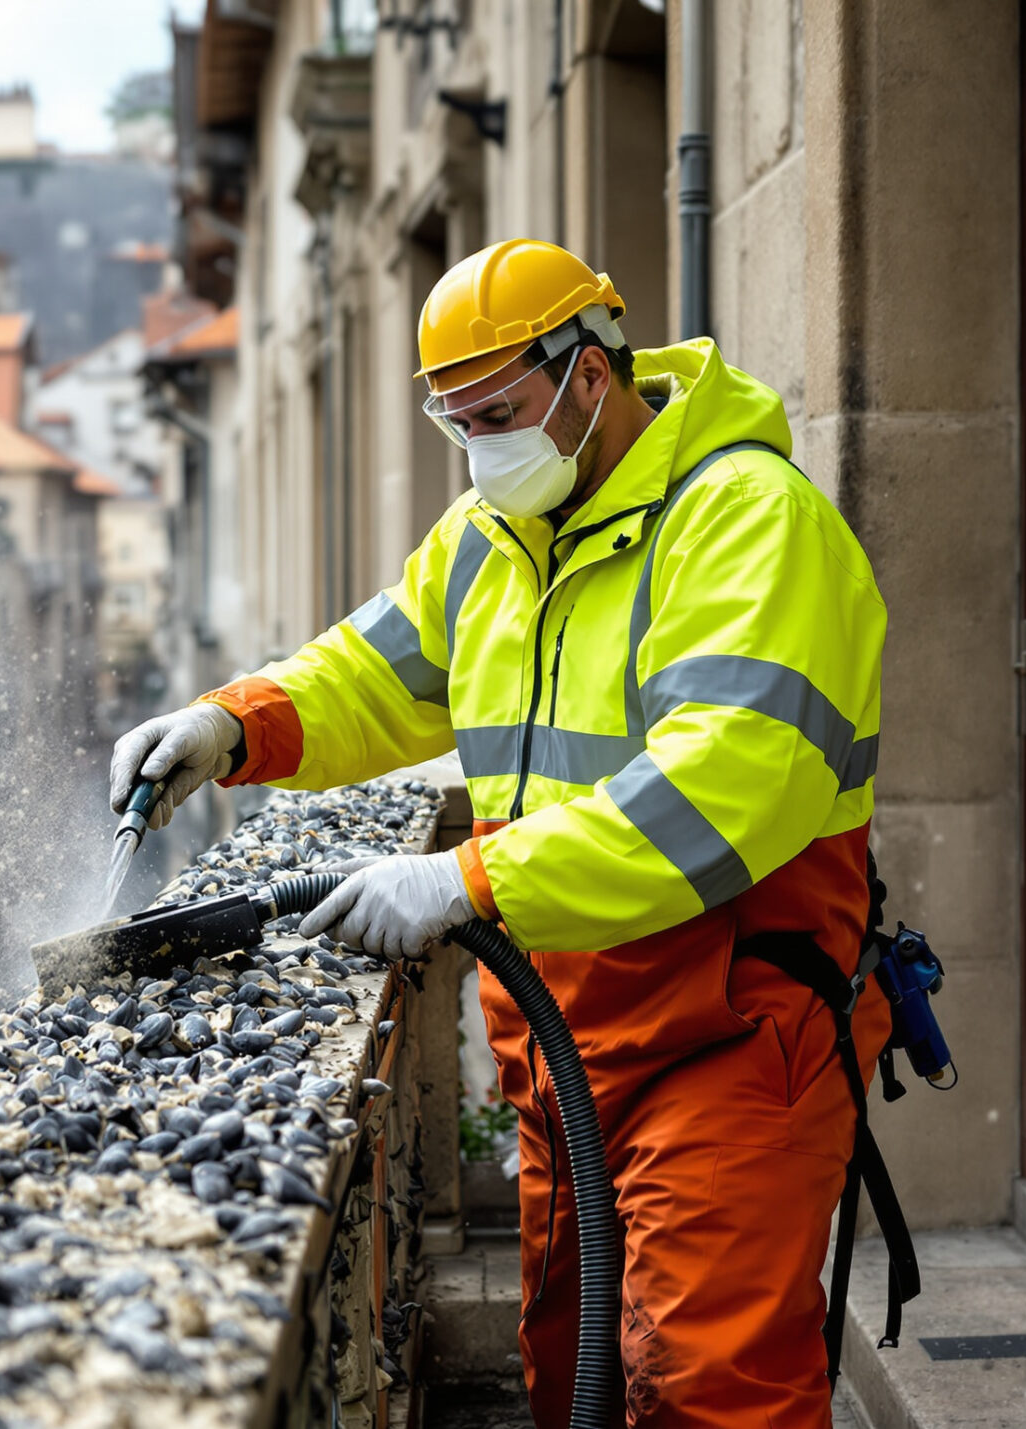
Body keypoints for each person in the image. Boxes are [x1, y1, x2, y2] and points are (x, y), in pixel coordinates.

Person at [111, 239, 889, 1428]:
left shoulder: (746, 522)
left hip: (728, 1038)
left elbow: (721, 786)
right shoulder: (491, 538)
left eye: (499, 411)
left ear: (588, 375)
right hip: (564, 1044)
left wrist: (465, 878)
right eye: (456, 421)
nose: (480, 447)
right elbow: (371, 669)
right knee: (574, 1362)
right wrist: (230, 724)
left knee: (707, 1384)